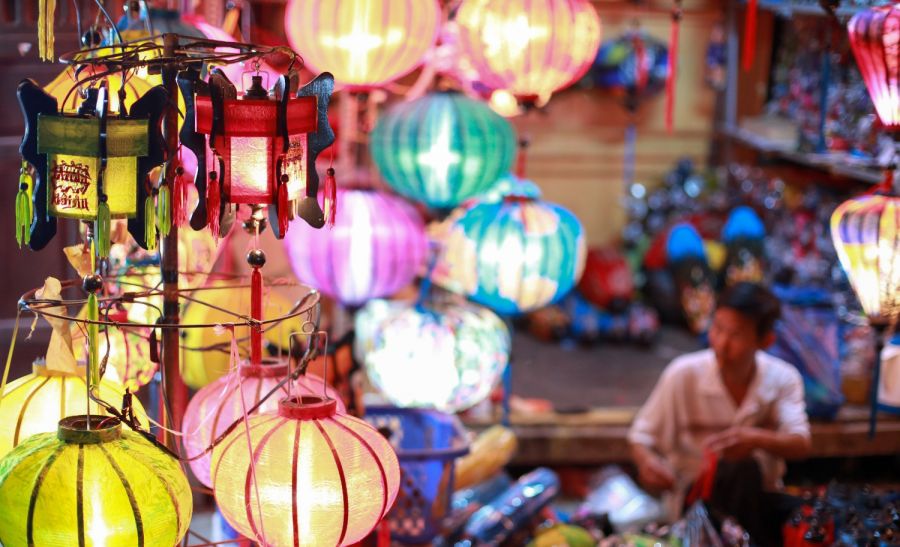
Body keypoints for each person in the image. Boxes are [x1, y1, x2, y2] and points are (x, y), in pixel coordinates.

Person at [628, 282, 811, 546]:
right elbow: (641, 437)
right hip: (694, 509)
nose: (722, 344)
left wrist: (755, 439)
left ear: (765, 340)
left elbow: (801, 442)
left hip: (759, 505)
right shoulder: (683, 374)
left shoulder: (783, 378)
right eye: (718, 329)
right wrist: (648, 463)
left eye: (736, 335)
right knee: (735, 471)